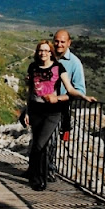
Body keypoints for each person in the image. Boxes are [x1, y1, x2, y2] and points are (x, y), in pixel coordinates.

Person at [23, 40, 95, 191]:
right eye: (40, 50)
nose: (43, 53)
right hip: (36, 111)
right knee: (38, 143)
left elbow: (69, 88)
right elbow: (30, 92)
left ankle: (39, 179)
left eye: (46, 50)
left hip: (52, 112)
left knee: (39, 145)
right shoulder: (33, 67)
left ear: (50, 52)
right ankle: (36, 175)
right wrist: (27, 111)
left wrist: (83, 97)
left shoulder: (58, 67)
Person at [47, 29, 86, 180]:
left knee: (51, 141)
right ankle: (36, 169)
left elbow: (80, 89)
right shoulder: (47, 57)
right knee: (37, 140)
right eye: (57, 41)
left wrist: (60, 98)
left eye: (63, 42)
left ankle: (49, 171)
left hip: (59, 108)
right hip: (41, 107)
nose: (59, 44)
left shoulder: (75, 63)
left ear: (69, 43)